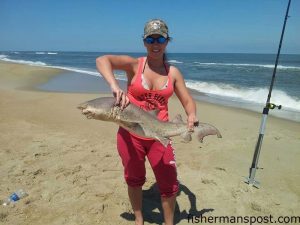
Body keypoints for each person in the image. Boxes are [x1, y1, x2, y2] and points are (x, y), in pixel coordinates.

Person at [96, 19, 198, 225]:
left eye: (160, 38)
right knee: (134, 179)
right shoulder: (135, 65)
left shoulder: (173, 73)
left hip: (160, 134)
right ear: (144, 42)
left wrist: (192, 114)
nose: (155, 43)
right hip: (130, 133)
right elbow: (102, 60)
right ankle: (139, 219)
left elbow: (187, 100)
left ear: (167, 41)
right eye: (150, 39)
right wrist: (115, 86)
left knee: (169, 184)